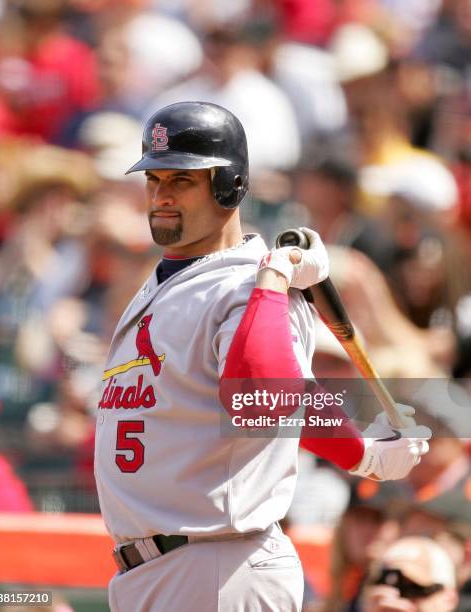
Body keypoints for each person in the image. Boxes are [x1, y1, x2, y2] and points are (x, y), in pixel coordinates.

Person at [94, 101, 431, 611]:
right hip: (158, 569)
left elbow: (262, 400)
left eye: (181, 181)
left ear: (229, 185)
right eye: (154, 180)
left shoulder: (254, 286)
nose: (160, 196)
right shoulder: (170, 279)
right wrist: (361, 453)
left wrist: (273, 278)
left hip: (218, 567)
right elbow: (295, 392)